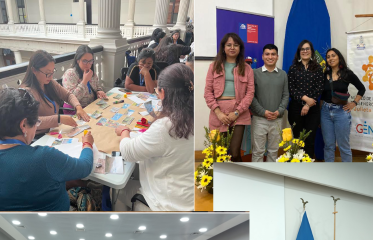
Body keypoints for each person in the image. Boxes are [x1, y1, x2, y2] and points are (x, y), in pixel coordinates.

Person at [115, 63, 194, 212]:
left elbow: (128, 152)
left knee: (117, 190)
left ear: (163, 93)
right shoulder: (195, 116)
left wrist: (124, 130)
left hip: (166, 205)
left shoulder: (167, 126)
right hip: (190, 196)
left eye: (157, 91)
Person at [0, 87, 94, 211]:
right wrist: (87, 144)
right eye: (36, 123)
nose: (36, 127)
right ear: (23, 125)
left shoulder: (43, 157)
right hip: (55, 224)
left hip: (13, 228)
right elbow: (85, 167)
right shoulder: (45, 157)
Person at [204, 32, 255, 162]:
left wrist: (237, 112)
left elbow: (250, 93)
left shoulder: (247, 69)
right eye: (229, 45)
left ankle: (239, 180)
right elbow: (208, 92)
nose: (232, 48)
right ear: (223, 48)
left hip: (239, 112)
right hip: (218, 112)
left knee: (235, 152)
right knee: (219, 152)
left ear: (240, 48)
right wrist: (218, 113)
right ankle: (222, 180)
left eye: (236, 45)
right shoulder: (213, 67)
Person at [20, 50, 90, 136]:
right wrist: (58, 119)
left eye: (52, 72)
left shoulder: (50, 83)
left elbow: (68, 95)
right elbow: (29, 122)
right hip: (39, 136)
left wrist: (78, 107)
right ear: (34, 70)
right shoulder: (26, 92)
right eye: (47, 73)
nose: (51, 76)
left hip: (55, 130)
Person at [321, 48, 365, 162]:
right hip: (325, 112)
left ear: (339, 57)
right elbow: (321, 95)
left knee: (343, 147)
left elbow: (361, 89)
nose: (331, 58)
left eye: (333, 55)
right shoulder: (324, 74)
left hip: (341, 112)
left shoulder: (347, 73)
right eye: (328, 56)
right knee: (329, 146)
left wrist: (354, 103)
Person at [250, 44, 290, 162]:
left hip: (277, 119)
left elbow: (286, 95)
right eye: (267, 54)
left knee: (273, 151)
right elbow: (251, 96)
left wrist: (279, 111)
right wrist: (263, 112)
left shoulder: (283, 74)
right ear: (262, 56)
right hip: (259, 119)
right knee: (258, 152)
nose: (270, 57)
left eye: (273, 54)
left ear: (277, 57)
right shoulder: (254, 73)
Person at [288, 40, 324, 159]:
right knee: (298, 139)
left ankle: (308, 167)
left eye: (307, 49)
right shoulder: (293, 68)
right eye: (302, 49)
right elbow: (291, 88)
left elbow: (319, 88)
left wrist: (308, 104)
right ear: (299, 52)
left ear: (312, 51)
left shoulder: (318, 68)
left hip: (313, 109)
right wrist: (305, 99)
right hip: (295, 109)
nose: (305, 51)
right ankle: (298, 166)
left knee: (310, 139)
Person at [62, 45, 107, 110]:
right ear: (78, 60)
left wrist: (99, 91)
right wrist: (84, 81)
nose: (88, 64)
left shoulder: (91, 72)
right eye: (85, 61)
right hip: (75, 109)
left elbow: (97, 86)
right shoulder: (70, 74)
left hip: (91, 105)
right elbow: (72, 98)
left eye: (91, 61)